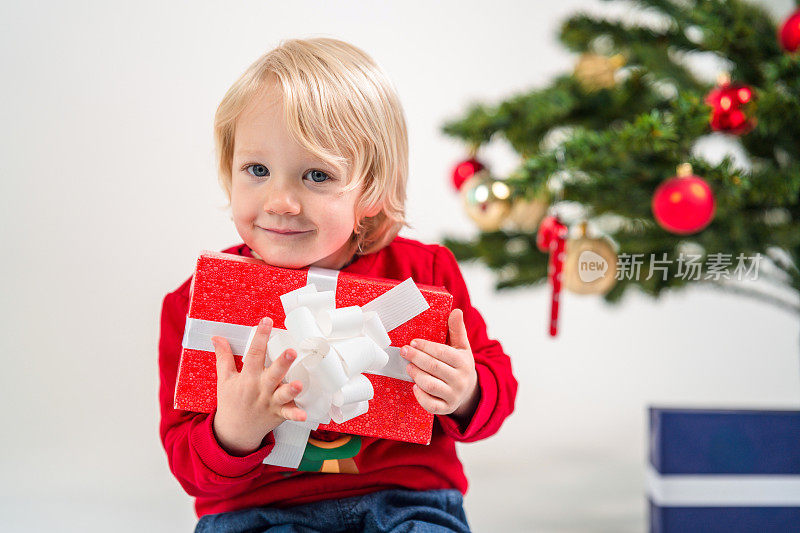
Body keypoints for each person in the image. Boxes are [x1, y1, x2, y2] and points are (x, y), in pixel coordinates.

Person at [158, 37, 518, 533]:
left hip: (405, 503)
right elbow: (189, 468)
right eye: (257, 170)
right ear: (229, 169)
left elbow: (495, 393)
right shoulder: (196, 303)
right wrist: (232, 431)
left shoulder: (424, 274)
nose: (280, 200)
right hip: (260, 515)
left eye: (317, 175)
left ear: (370, 190)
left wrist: (468, 390)